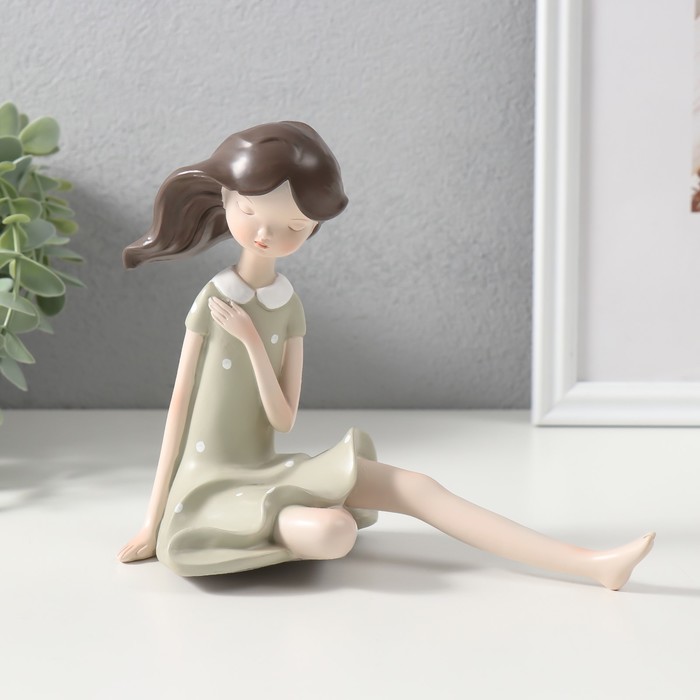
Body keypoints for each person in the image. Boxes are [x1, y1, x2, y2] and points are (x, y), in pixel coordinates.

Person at [118, 122, 654, 589]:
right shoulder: (214, 301)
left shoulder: (287, 307)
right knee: (335, 532)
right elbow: (179, 411)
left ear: (313, 227)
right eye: (251, 211)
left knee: (415, 487)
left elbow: (282, 418)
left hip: (268, 469)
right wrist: (154, 522)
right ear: (226, 197)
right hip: (210, 491)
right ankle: (288, 519)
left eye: (293, 226)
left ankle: (593, 565)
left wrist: (252, 341)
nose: (265, 233)